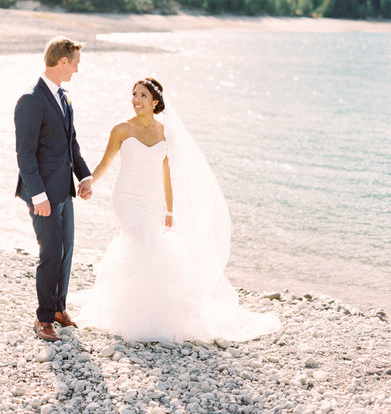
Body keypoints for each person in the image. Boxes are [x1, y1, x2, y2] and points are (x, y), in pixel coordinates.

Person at [71, 77, 280, 343]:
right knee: (140, 241)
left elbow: (167, 174)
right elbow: (105, 163)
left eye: (143, 95)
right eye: (134, 94)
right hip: (126, 198)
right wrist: (89, 181)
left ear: (155, 101)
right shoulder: (121, 129)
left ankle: (153, 310)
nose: (136, 100)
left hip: (152, 200)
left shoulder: (164, 132)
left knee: (150, 248)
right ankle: (133, 315)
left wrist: (169, 210)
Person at [14, 36, 92, 342]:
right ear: (63, 61)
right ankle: (43, 318)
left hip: (64, 190)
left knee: (66, 250)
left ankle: (59, 309)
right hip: (42, 194)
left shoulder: (64, 97)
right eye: (75, 64)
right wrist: (38, 197)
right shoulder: (31, 100)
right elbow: (25, 154)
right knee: (51, 253)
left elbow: (71, 143)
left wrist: (84, 177)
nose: (76, 69)